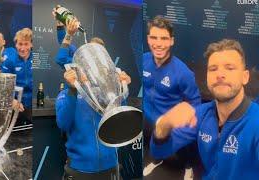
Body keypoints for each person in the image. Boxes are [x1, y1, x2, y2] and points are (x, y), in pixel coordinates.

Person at [150, 39, 259, 179]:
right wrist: (164, 123)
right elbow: (158, 151)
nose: (220, 74)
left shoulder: (256, 122)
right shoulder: (201, 114)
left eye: (230, 68)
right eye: (213, 69)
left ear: (245, 77)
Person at [142, 16, 201, 178]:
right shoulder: (143, 61)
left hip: (172, 124)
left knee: (185, 151)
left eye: (164, 38)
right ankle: (157, 160)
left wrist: (182, 118)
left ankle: (188, 167)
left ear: (171, 41)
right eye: (154, 37)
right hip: (151, 119)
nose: (158, 43)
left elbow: (195, 103)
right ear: (148, 39)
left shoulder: (183, 73)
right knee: (155, 147)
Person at [56, 67, 131, 179]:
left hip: (111, 167)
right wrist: (73, 91)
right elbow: (63, 124)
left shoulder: (109, 95)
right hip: (79, 170)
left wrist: (121, 88)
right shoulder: (66, 94)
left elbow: (121, 122)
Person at [1, 28, 33, 125]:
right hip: (15, 106)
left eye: (26, 44)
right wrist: (11, 100)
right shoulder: (10, 60)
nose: (22, 48)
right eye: (20, 44)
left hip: (32, 106)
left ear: (31, 44)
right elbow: (3, 85)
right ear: (16, 44)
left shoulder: (35, 59)